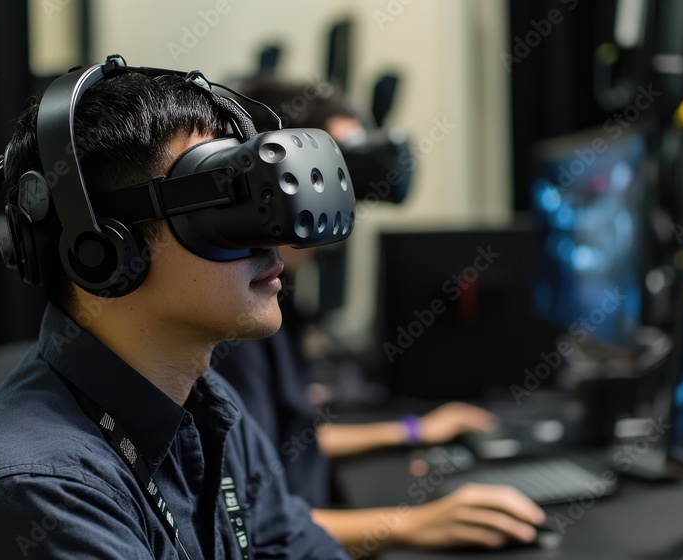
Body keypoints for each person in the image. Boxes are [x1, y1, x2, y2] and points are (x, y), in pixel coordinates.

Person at [0, 61, 349, 559]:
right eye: (225, 207)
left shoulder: (207, 404)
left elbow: (297, 548)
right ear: (104, 251)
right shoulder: (42, 495)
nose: (275, 238)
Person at [215, 80, 547, 553]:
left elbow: (291, 442)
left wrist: (413, 430)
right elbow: (251, 525)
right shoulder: (241, 317)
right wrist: (410, 524)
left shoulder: (274, 295)